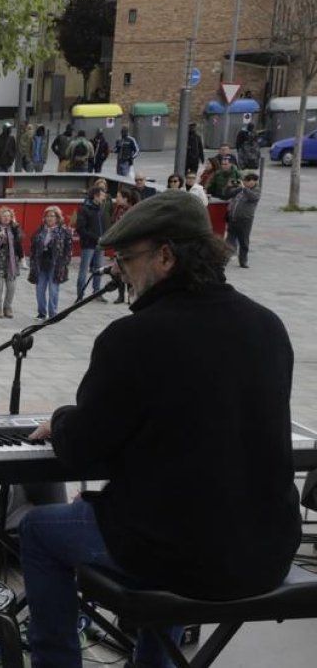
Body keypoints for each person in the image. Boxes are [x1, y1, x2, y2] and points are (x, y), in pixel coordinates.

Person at [20, 191, 299, 668]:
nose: (120, 271)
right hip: (266, 551)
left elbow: (83, 452)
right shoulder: (267, 325)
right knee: (168, 522)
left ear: (166, 257)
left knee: (39, 531)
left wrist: (62, 420)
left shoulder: (133, 337)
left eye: (127, 259)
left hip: (178, 554)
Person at [28, 206, 73, 320]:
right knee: (40, 289)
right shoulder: (40, 230)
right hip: (41, 264)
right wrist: (33, 260)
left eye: (52, 216)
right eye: (47, 216)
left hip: (55, 264)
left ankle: (53, 314)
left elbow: (68, 249)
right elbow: (33, 245)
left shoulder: (64, 231)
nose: (49, 218)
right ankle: (41, 313)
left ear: (57, 218)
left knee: (53, 290)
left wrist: (64, 262)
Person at [76, 186, 107, 303]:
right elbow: (80, 229)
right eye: (102, 195)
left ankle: (96, 292)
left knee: (99, 269)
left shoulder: (101, 209)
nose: (104, 198)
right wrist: (96, 238)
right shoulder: (84, 209)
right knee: (84, 270)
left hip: (100, 244)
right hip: (88, 244)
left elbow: (103, 225)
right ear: (96, 196)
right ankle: (80, 294)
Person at [225, 172, 259, 268]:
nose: (246, 182)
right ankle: (224, 259)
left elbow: (253, 197)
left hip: (245, 220)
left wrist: (244, 188)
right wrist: (229, 187)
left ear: (254, 181)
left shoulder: (256, 191)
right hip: (233, 218)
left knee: (243, 241)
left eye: (249, 180)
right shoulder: (240, 189)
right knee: (229, 241)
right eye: (245, 180)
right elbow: (229, 194)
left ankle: (243, 261)